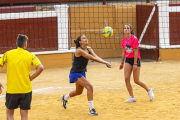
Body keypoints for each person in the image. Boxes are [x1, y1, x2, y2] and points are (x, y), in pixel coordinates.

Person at [60, 35, 112, 115]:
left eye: (86, 38)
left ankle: (64, 98)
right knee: (89, 87)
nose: (86, 39)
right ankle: (91, 109)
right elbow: (92, 58)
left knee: (79, 92)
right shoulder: (79, 50)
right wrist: (106, 63)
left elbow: (96, 57)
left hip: (82, 72)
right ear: (80, 42)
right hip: (75, 73)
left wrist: (106, 62)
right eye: (84, 38)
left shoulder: (89, 49)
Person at [0, 34, 44, 120]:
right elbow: (41, 67)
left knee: (9, 113)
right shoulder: (30, 55)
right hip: (25, 90)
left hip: (12, 90)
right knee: (24, 115)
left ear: (16, 43)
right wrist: (31, 78)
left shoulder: (8, 54)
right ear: (25, 44)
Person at [119, 24, 154, 103]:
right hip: (128, 60)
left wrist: (135, 64)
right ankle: (132, 97)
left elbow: (135, 52)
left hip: (135, 60)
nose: (126, 29)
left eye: (128, 28)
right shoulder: (123, 40)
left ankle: (149, 91)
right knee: (126, 78)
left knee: (136, 80)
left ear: (131, 30)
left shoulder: (134, 39)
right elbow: (123, 52)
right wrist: (122, 62)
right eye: (125, 28)